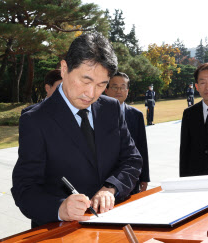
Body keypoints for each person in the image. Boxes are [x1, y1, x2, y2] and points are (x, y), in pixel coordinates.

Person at [11, 32, 142, 228]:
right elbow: (25, 188)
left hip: (114, 222)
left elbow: (131, 159)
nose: (91, 94)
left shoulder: (111, 109)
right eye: (85, 81)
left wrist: (111, 187)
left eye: (101, 85)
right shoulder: (35, 119)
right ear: (64, 69)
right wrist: (60, 208)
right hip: (62, 230)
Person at [105, 71, 150, 192]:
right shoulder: (97, 114)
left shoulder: (136, 115)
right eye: (114, 87)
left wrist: (144, 177)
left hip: (131, 177)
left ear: (127, 91)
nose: (118, 90)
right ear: (106, 89)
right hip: (105, 182)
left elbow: (142, 148)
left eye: (123, 87)